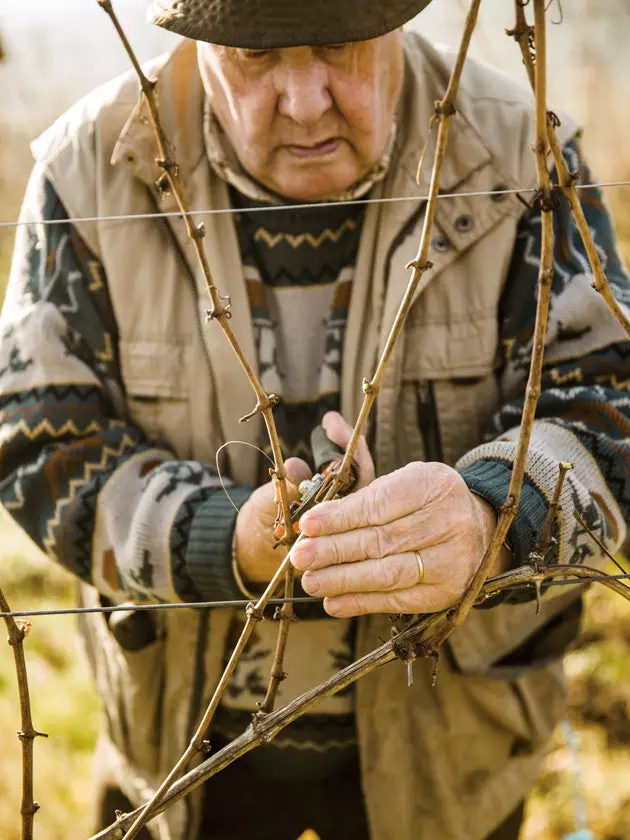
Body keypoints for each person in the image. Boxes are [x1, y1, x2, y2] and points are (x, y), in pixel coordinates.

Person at [1, 1, 629, 838]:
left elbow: (607, 401)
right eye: (257, 60)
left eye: (339, 48)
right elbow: (37, 433)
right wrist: (222, 537)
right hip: (180, 760)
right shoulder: (90, 168)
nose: (304, 102)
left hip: (451, 761)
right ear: (195, 40)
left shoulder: (522, 153)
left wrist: (490, 516)